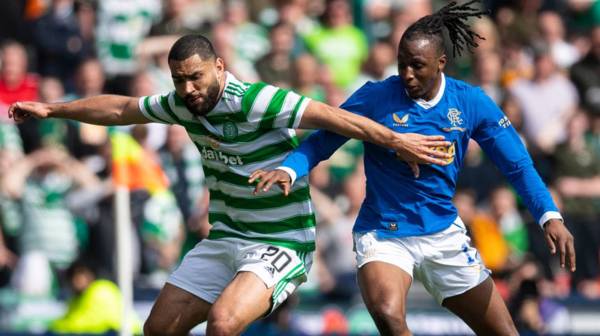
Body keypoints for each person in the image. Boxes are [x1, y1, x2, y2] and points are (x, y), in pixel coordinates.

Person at [8, 34, 450, 335]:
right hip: (226, 238)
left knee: (223, 323)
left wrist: (396, 140)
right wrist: (54, 109)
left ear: (219, 66)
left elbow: (331, 116)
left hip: (280, 241)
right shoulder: (181, 104)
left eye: (195, 77)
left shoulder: (257, 100)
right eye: (179, 80)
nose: (188, 89)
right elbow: (122, 109)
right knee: (157, 328)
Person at [250, 2, 576, 335]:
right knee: (390, 317)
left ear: (441, 63)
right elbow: (324, 139)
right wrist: (290, 169)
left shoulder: (471, 103)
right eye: (402, 64)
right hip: (383, 234)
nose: (406, 74)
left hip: (442, 235)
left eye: (417, 66)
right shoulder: (376, 98)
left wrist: (549, 216)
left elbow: (518, 165)